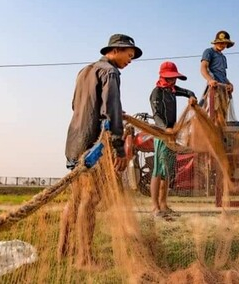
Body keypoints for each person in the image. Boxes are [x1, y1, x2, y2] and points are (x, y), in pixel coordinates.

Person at [58, 33, 142, 269]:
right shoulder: (111, 72)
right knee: (90, 198)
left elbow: (75, 105)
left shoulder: (85, 71)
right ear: (115, 50)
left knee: (75, 198)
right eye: (129, 54)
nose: (130, 60)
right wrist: (118, 148)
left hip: (74, 140)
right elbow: (111, 112)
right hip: (93, 145)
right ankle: (84, 258)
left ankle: (62, 249)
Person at [149, 61, 197, 218]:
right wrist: (165, 129)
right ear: (162, 76)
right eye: (170, 78)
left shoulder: (172, 90)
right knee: (157, 170)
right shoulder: (157, 92)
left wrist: (192, 97)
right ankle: (155, 206)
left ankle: (164, 204)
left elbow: (189, 91)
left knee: (167, 171)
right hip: (161, 135)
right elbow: (156, 115)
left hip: (172, 136)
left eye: (175, 78)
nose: (173, 81)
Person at [200, 30, 235, 123]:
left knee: (222, 115)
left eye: (224, 43)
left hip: (223, 88)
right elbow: (203, 68)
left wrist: (229, 83)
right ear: (216, 42)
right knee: (212, 113)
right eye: (220, 42)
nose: (222, 44)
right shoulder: (209, 52)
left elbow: (223, 74)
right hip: (214, 87)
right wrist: (210, 80)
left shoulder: (223, 57)